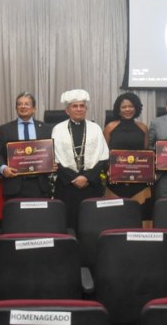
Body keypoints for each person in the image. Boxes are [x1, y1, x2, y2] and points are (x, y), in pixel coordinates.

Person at [52, 89, 109, 229]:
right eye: (75, 106)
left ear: (86, 109)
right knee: (67, 223)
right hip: (66, 185)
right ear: (67, 110)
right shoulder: (57, 129)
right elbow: (55, 158)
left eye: (82, 106)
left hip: (91, 184)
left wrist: (87, 177)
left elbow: (103, 157)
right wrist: (74, 178)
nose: (79, 109)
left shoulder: (95, 128)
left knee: (91, 224)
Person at [103, 92, 151, 224]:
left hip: (138, 181)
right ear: (118, 110)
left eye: (131, 106)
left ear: (136, 108)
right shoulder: (110, 127)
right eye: (124, 107)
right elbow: (104, 153)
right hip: (116, 181)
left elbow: (146, 153)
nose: (127, 109)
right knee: (115, 217)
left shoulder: (143, 128)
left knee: (138, 217)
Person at [0, 92, 53, 199]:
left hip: (39, 185)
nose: (23, 106)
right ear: (16, 108)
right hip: (14, 184)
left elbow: (50, 153)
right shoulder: (5, 129)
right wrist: (3, 169)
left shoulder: (45, 128)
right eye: (20, 104)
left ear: (34, 108)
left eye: (27, 104)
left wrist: (52, 163)